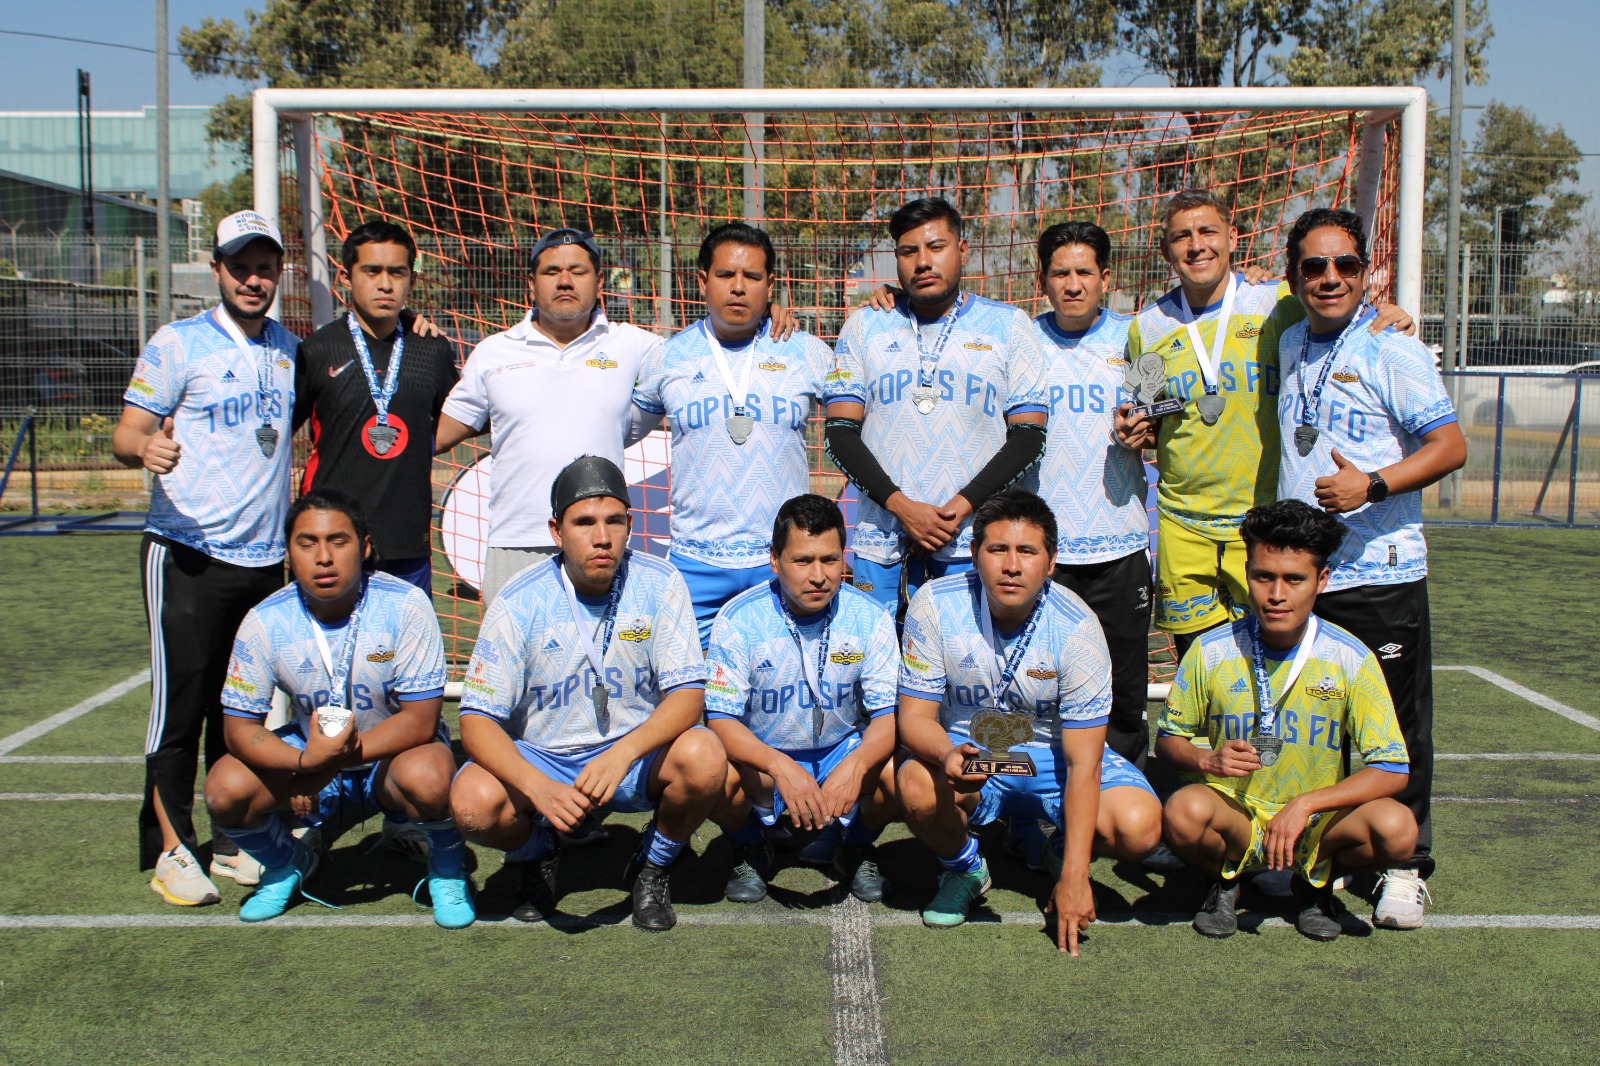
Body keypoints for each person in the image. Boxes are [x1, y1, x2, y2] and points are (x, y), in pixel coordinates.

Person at [1113, 189, 1410, 661]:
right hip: (1182, 524)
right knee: (1198, 668)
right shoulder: (1146, 327)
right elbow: (1145, 413)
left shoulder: (1278, 301)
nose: (1196, 245)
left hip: (1264, 525)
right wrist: (1132, 429)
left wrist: (1385, 314)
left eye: (1208, 232)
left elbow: (1340, 315)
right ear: (1165, 250)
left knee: (1268, 666)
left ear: (1233, 237)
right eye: (1181, 237)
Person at [1273, 207, 1467, 930]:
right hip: (1310, 579)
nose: (1330, 278)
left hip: (1380, 573)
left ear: (1367, 272)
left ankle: (1404, 867)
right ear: (1294, 274)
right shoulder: (1291, 338)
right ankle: (1328, 858)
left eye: (1345, 266)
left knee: (1398, 729)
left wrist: (1375, 484)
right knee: (1322, 732)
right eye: (1314, 266)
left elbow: (1450, 446)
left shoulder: (1394, 347)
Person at [448, 456, 727, 931]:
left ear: (630, 525)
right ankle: (539, 852)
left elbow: (687, 695)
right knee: (471, 802)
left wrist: (621, 755)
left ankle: (653, 866)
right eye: (585, 523)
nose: (602, 537)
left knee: (705, 755)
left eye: (614, 521)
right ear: (557, 531)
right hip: (546, 759)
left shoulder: (660, 583)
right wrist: (539, 787)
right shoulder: (520, 599)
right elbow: (475, 721)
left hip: (632, 757)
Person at [112, 210, 298, 905]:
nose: (254, 279)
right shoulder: (178, 343)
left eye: (265, 266)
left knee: (238, 709)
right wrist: (145, 448)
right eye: (240, 266)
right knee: (179, 708)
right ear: (216, 268)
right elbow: (126, 431)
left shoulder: (288, 348)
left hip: (260, 562)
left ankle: (230, 839)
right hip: (187, 553)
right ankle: (170, 848)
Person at [895, 490, 1163, 953]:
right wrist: (944, 752)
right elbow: (914, 718)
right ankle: (965, 868)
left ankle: (1058, 851)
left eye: (1027, 551)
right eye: (997, 549)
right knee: (915, 784)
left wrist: (1077, 877)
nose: (1012, 566)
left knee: (1139, 827)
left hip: (1054, 764)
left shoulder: (1078, 628)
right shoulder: (935, 604)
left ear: (1052, 561)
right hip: (972, 757)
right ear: (976, 554)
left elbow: (1084, 764)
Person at [202, 491, 472, 927]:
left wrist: (323, 764)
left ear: (364, 546)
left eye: (338, 541)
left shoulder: (404, 604)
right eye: (307, 543)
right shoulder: (265, 620)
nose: (323, 557)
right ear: (288, 550)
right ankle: (285, 863)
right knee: (224, 789)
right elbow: (239, 730)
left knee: (430, 777)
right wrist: (303, 761)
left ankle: (445, 871)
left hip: (391, 757)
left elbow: (420, 720)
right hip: (308, 763)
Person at [1157, 498, 1417, 941]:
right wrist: (1207, 761)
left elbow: (1392, 768)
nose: (1276, 594)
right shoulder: (1211, 649)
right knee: (1183, 812)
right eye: (1263, 577)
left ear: (1322, 581)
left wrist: (1307, 804)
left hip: (1315, 822)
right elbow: (1168, 739)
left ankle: (1313, 882)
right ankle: (1227, 880)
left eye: (1294, 579)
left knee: (1398, 830)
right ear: (1248, 577)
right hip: (1236, 815)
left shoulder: (1350, 657)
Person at [824, 197, 1049, 616]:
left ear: (962, 251)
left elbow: (1029, 438)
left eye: (936, 247)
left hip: (976, 541)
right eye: (909, 252)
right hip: (885, 541)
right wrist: (903, 508)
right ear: (896, 260)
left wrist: (958, 508)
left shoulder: (1008, 326)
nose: (923, 262)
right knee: (881, 673)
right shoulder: (865, 326)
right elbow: (838, 434)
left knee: (972, 670)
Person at [434, 229, 662, 608]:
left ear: (599, 281)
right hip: (515, 545)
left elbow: (704, 351)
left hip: (598, 543)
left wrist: (765, 316)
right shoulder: (493, 353)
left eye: (578, 270)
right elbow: (436, 435)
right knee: (510, 666)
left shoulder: (634, 345)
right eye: (552, 271)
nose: (565, 281)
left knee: (602, 665)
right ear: (531, 284)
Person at [631, 223, 835, 645]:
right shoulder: (667, 357)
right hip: (695, 563)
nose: (738, 288)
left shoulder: (808, 352)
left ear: (771, 284)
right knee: (692, 695)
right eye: (726, 275)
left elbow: (864, 427)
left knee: (782, 692)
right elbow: (616, 431)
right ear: (703, 281)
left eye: (752, 277)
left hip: (782, 563)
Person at [703, 494, 901, 904]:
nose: (818, 576)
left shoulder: (871, 616)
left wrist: (856, 765)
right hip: (763, 760)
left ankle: (854, 844)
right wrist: (779, 767)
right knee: (707, 766)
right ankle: (751, 844)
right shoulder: (738, 618)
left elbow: (887, 717)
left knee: (901, 770)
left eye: (829, 560)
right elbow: (720, 719)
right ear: (774, 559)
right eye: (802, 561)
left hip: (838, 751)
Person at [294, 219, 460, 599]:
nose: (385, 283)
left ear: (411, 281)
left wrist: (419, 444)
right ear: (347, 277)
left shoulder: (431, 349)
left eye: (397, 272)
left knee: (406, 655)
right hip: (330, 545)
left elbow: (462, 420)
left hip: (407, 544)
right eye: (372, 271)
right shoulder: (317, 351)